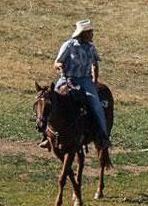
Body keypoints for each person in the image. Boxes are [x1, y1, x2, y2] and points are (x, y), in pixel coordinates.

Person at [39, 19, 110, 149]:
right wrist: (60, 66)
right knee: (51, 100)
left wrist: (94, 80)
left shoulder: (91, 48)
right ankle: (46, 135)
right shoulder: (68, 46)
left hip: (85, 80)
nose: (92, 33)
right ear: (82, 33)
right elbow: (57, 62)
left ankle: (102, 136)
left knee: (96, 104)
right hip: (67, 78)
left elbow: (95, 64)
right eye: (89, 31)